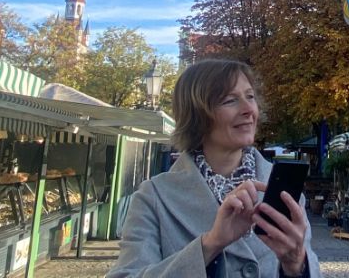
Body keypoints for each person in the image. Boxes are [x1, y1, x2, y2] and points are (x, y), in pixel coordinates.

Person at [107, 59, 321, 277]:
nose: (249, 109)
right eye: (230, 100)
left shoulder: (282, 192)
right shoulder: (154, 198)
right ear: (197, 115)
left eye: (250, 97)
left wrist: (297, 265)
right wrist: (210, 244)